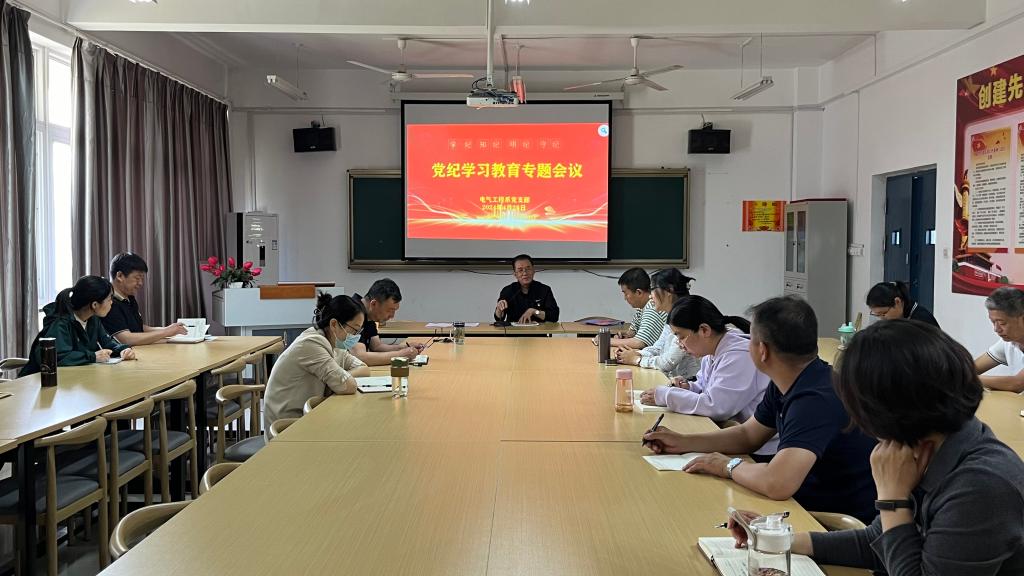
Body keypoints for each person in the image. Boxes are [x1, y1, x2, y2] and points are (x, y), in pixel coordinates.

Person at [729, 320, 1024, 575]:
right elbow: (880, 543)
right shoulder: (924, 445)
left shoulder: (979, 485)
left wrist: (892, 499)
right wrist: (779, 540)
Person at [643, 296, 878, 523]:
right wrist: (683, 442)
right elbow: (748, 435)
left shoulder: (814, 399)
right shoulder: (791, 380)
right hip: (804, 498)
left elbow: (778, 483)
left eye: (750, 339)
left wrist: (727, 465)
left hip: (831, 518)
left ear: (762, 350)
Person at [639, 295, 777, 458]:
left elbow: (716, 407)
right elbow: (705, 387)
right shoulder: (713, 350)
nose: (679, 344)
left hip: (758, 449)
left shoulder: (738, 355)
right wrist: (689, 387)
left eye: (681, 336)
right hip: (732, 435)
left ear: (704, 330)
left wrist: (666, 395)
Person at [263, 293, 371, 430]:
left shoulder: (335, 343)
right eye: (354, 330)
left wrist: (340, 379)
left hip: (308, 417)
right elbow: (348, 386)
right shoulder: (312, 343)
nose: (355, 336)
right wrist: (340, 380)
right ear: (334, 324)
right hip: (287, 427)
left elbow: (364, 369)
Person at [20, 275, 137, 376]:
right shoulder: (60, 323)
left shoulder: (93, 319)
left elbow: (108, 343)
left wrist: (123, 350)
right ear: (95, 305)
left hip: (72, 380)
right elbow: (58, 357)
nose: (112, 303)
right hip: (40, 382)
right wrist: (92, 356)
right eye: (109, 299)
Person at [616, 269, 699, 381]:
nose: (650, 296)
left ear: (669, 291)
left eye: (653, 290)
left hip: (688, 383)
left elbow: (668, 362)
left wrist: (637, 360)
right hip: (672, 379)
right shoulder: (671, 315)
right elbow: (658, 348)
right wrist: (634, 354)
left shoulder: (685, 318)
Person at [101, 252, 188, 345]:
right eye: (137, 278)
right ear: (120, 276)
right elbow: (126, 339)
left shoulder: (129, 297)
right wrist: (166, 332)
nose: (140, 283)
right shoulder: (107, 302)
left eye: (142, 279)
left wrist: (170, 329)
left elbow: (138, 327)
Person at [351, 279, 424, 367]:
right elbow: (360, 357)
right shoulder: (353, 312)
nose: (392, 316)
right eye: (390, 310)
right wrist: (401, 355)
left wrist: (405, 347)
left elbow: (376, 346)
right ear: (374, 304)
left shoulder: (369, 313)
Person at [974, 286, 1024, 393]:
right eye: (993, 322)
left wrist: (968, 379)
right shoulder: (1009, 343)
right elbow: (972, 369)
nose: (996, 329)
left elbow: (1017, 384)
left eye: (1002, 323)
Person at [605, 267, 666, 349]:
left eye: (626, 294)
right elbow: (632, 332)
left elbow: (639, 343)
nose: (625, 298)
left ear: (639, 292)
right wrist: (624, 336)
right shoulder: (642, 307)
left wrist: (604, 340)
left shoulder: (652, 308)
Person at [494, 254, 560, 324]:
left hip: (538, 330)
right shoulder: (508, 290)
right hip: (514, 330)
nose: (525, 273)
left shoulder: (544, 290)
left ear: (533, 271)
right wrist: (499, 309)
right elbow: (498, 318)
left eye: (528, 269)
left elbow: (554, 316)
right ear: (515, 274)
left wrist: (534, 311)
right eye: (520, 270)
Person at [865, 281, 939, 327]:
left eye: (883, 313)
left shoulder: (921, 321)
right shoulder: (899, 319)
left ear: (897, 302)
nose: (882, 318)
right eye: (878, 315)